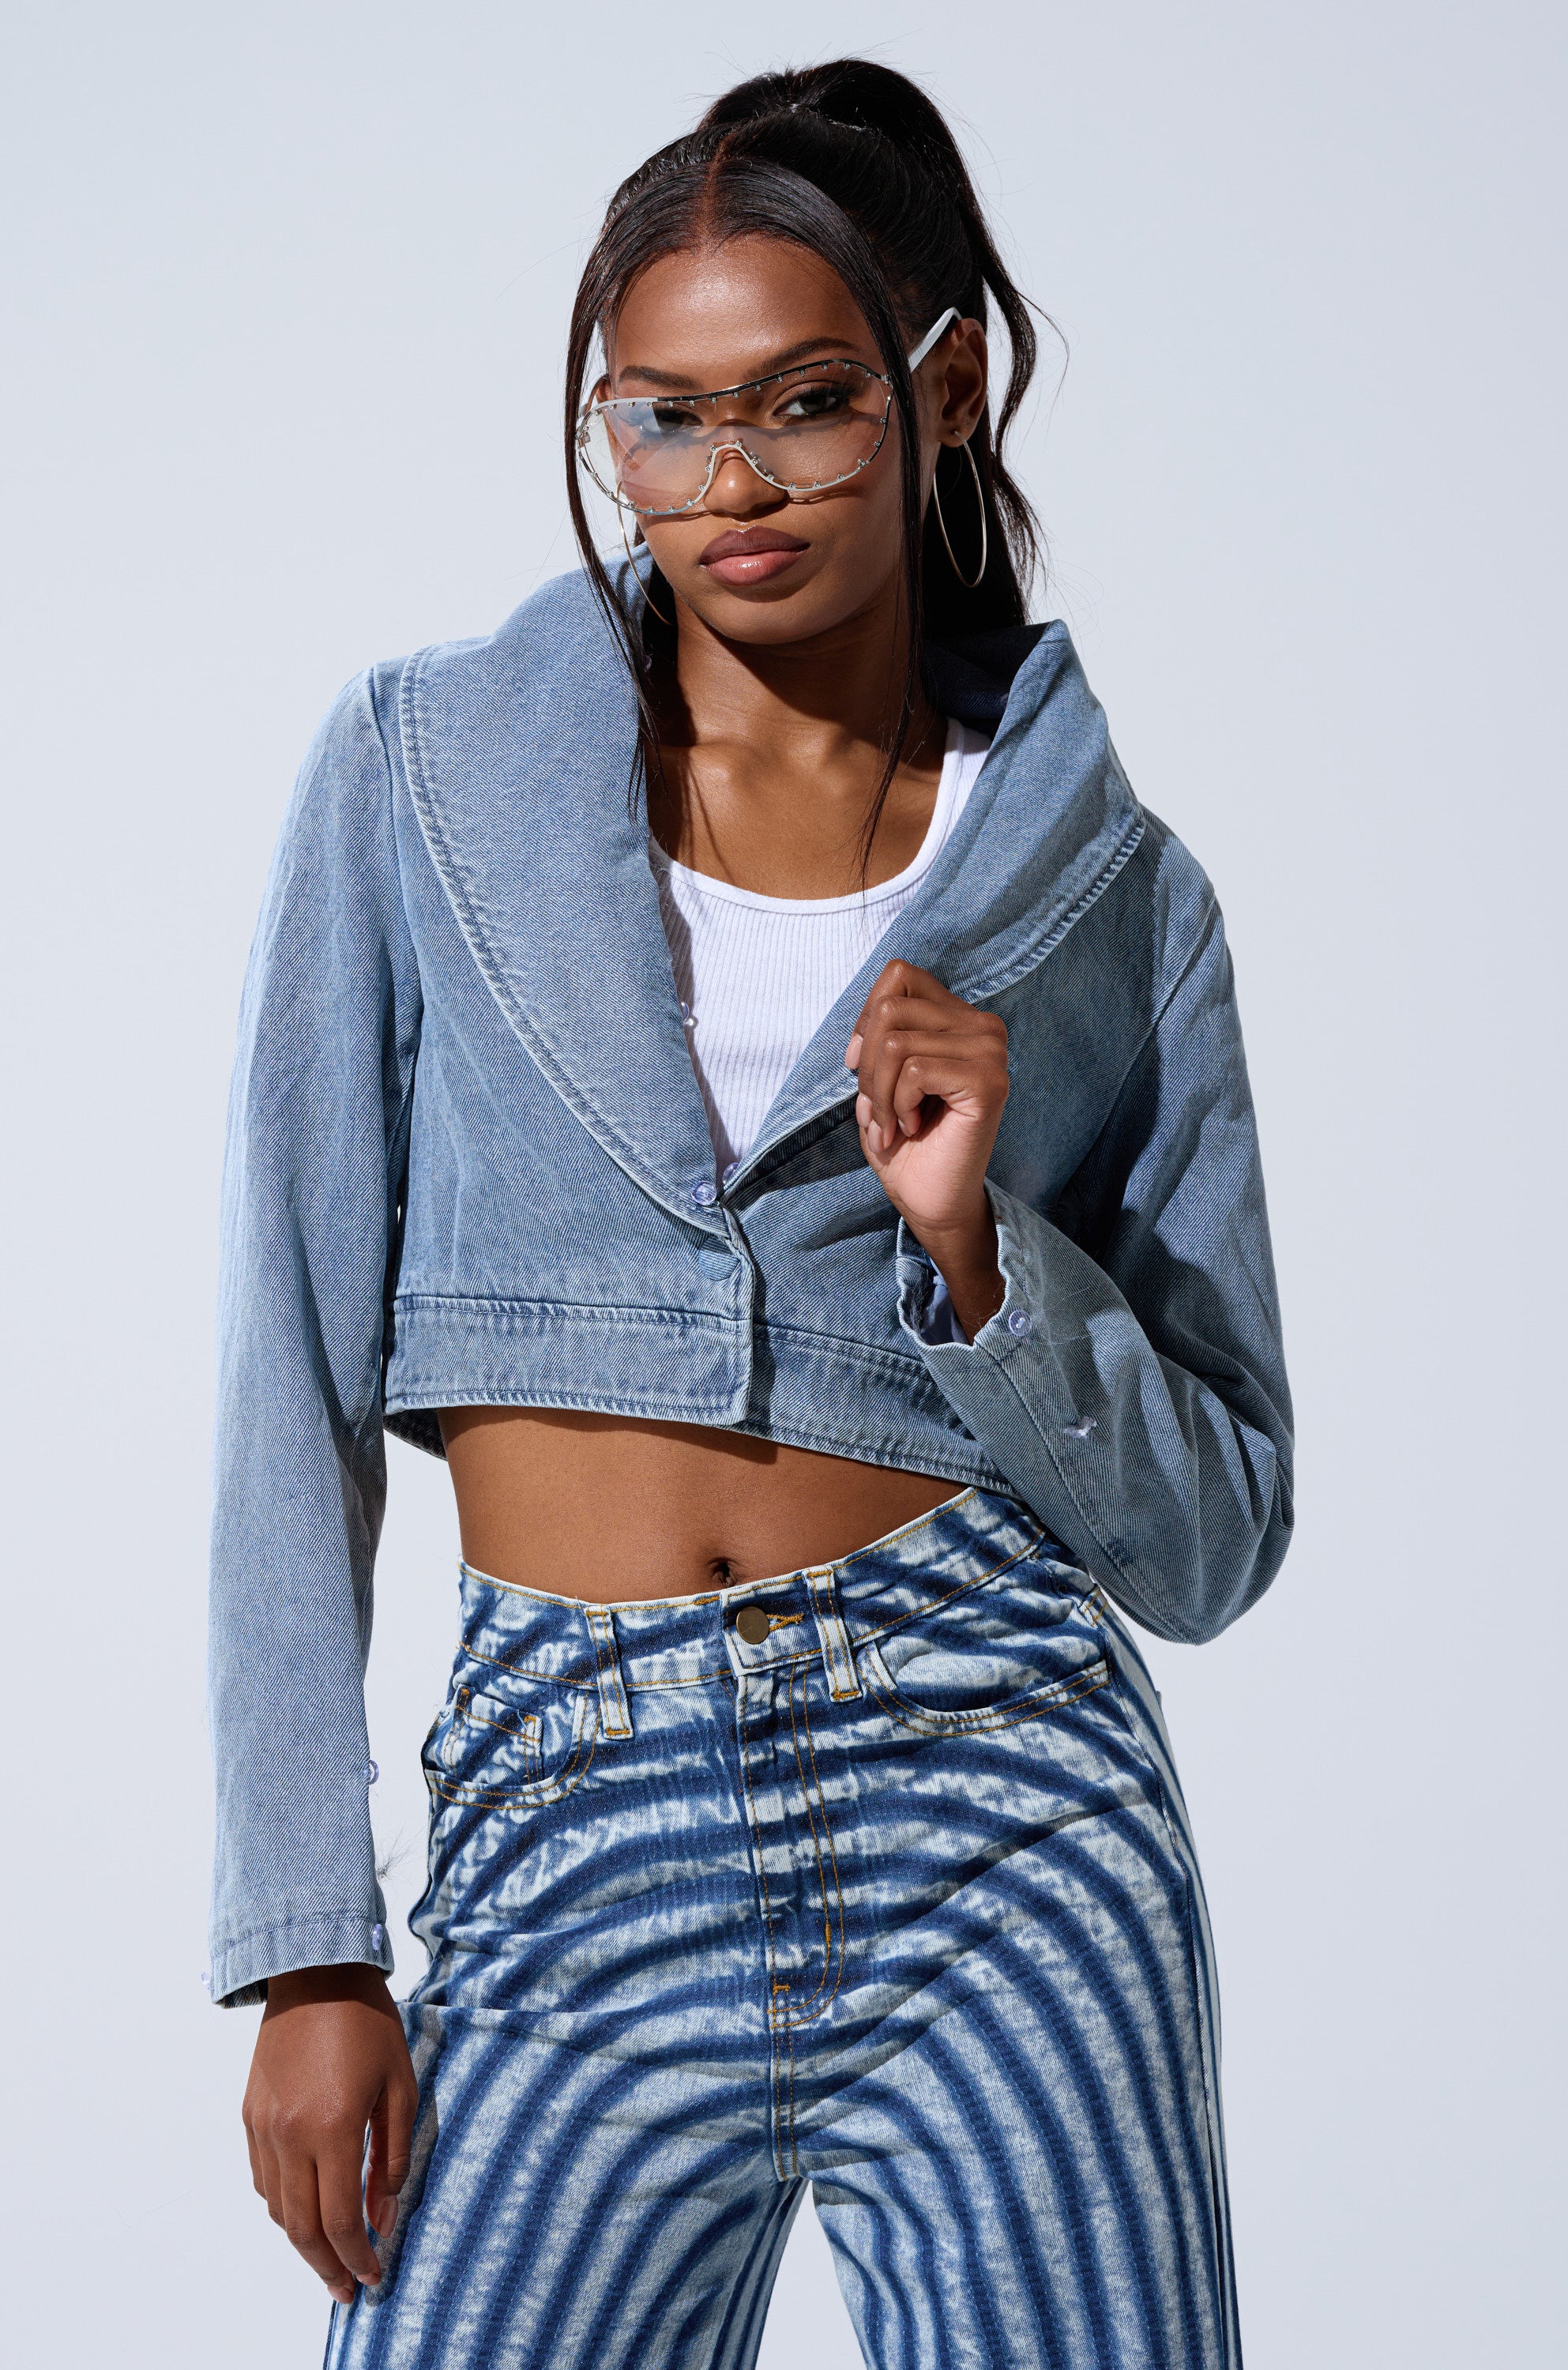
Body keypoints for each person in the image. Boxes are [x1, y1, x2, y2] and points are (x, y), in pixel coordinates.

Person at [209, 58, 1292, 2370]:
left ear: (942, 391)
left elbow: (1217, 1536)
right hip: (566, 1816)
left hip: (1005, 1811)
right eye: (665, 418)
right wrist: (308, 1942)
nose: (732, 484)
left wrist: (987, 1263)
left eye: (803, 404)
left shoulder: (1117, 900)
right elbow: (281, 1367)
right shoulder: (419, 780)